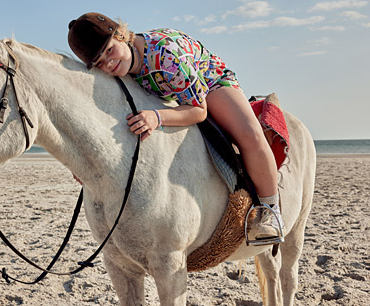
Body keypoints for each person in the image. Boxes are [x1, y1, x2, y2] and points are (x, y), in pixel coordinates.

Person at [67, 12, 284, 243]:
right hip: (172, 92)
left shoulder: (166, 55)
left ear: (121, 35)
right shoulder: (120, 66)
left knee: (250, 135)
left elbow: (199, 111)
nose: (108, 63)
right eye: (99, 62)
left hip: (210, 84)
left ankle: (270, 211)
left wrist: (156, 118)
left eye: (109, 50)